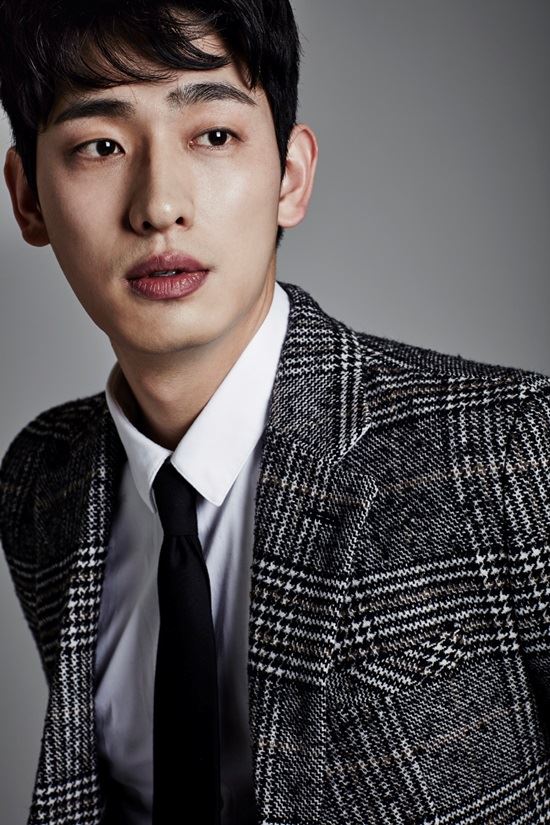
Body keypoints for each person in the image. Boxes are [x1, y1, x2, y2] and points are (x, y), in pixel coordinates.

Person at [1, 1, 549, 824]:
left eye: (214, 135)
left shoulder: (507, 449)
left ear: (290, 175)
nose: (159, 205)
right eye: (101, 146)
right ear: (28, 200)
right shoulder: (41, 482)